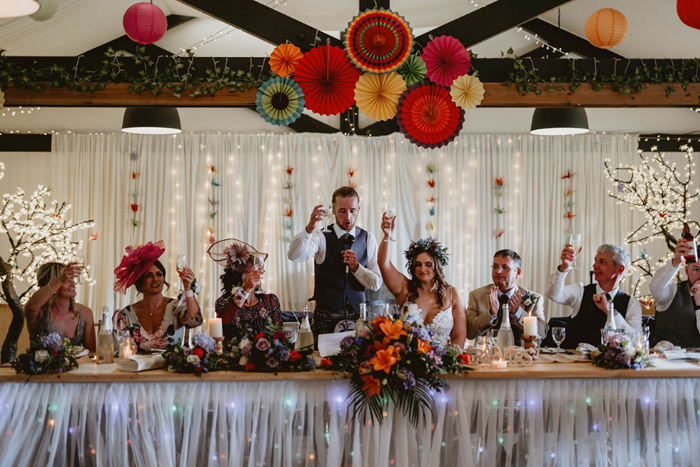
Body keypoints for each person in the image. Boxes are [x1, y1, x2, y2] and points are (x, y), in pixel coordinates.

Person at [287, 186, 382, 336]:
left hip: (358, 316)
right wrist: (310, 228)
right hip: (326, 315)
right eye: (342, 211)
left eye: (352, 210)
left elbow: (376, 284)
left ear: (359, 210)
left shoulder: (368, 238)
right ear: (333, 211)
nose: (348, 216)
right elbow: (294, 255)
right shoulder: (320, 237)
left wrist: (357, 268)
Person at [378, 214, 467, 348]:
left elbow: (459, 337)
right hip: (410, 362)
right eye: (418, 264)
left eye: (428, 264)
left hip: (442, 362)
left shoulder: (452, 294)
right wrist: (387, 236)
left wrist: (448, 362)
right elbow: (384, 264)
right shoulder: (404, 288)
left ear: (437, 266)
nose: (422, 269)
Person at [545, 243, 642, 348]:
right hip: (575, 362)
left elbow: (635, 340)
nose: (595, 265)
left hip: (611, 363)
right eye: (595, 260)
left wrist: (610, 311)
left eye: (602, 262)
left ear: (619, 269)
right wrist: (564, 268)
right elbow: (552, 294)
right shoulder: (580, 291)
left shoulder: (632, 304)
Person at [112, 241, 203, 352]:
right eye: (148, 275)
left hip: (170, 367)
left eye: (159, 274)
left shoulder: (176, 307)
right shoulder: (125, 315)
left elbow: (195, 322)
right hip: (137, 368)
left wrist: (188, 289)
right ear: (140, 282)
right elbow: (118, 351)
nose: (155, 279)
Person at [466, 249, 546, 345]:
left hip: (522, 356)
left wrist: (518, 313)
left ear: (517, 272)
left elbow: (542, 333)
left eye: (505, 267)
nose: (498, 271)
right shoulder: (476, 296)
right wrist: (490, 315)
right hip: (488, 356)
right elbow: (469, 333)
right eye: (495, 267)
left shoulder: (535, 298)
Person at [210, 239, 282, 342]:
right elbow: (224, 322)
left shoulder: (270, 300)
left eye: (257, 271)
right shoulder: (223, 302)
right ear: (237, 276)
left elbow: (279, 336)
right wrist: (245, 290)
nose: (257, 274)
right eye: (251, 272)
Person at [26, 261, 96, 352]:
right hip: (42, 366)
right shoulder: (39, 312)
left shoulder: (85, 313)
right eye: (66, 280)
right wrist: (59, 280)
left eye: (72, 278)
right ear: (52, 283)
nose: (73, 283)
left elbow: (92, 353)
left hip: (78, 366)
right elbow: (31, 306)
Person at [649, 238, 700, 347]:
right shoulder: (672, 291)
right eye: (696, 269)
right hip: (664, 360)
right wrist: (676, 262)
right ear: (687, 271)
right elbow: (655, 287)